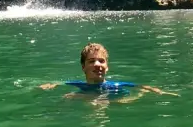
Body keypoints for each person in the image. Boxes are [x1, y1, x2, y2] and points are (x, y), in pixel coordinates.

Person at [39, 42, 177, 100]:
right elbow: (62, 83)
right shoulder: (80, 85)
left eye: (101, 61)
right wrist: (52, 84)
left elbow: (139, 86)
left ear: (107, 66)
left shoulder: (114, 86)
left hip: (111, 98)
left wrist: (158, 91)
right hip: (93, 97)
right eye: (91, 61)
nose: (97, 64)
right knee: (67, 98)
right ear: (83, 67)